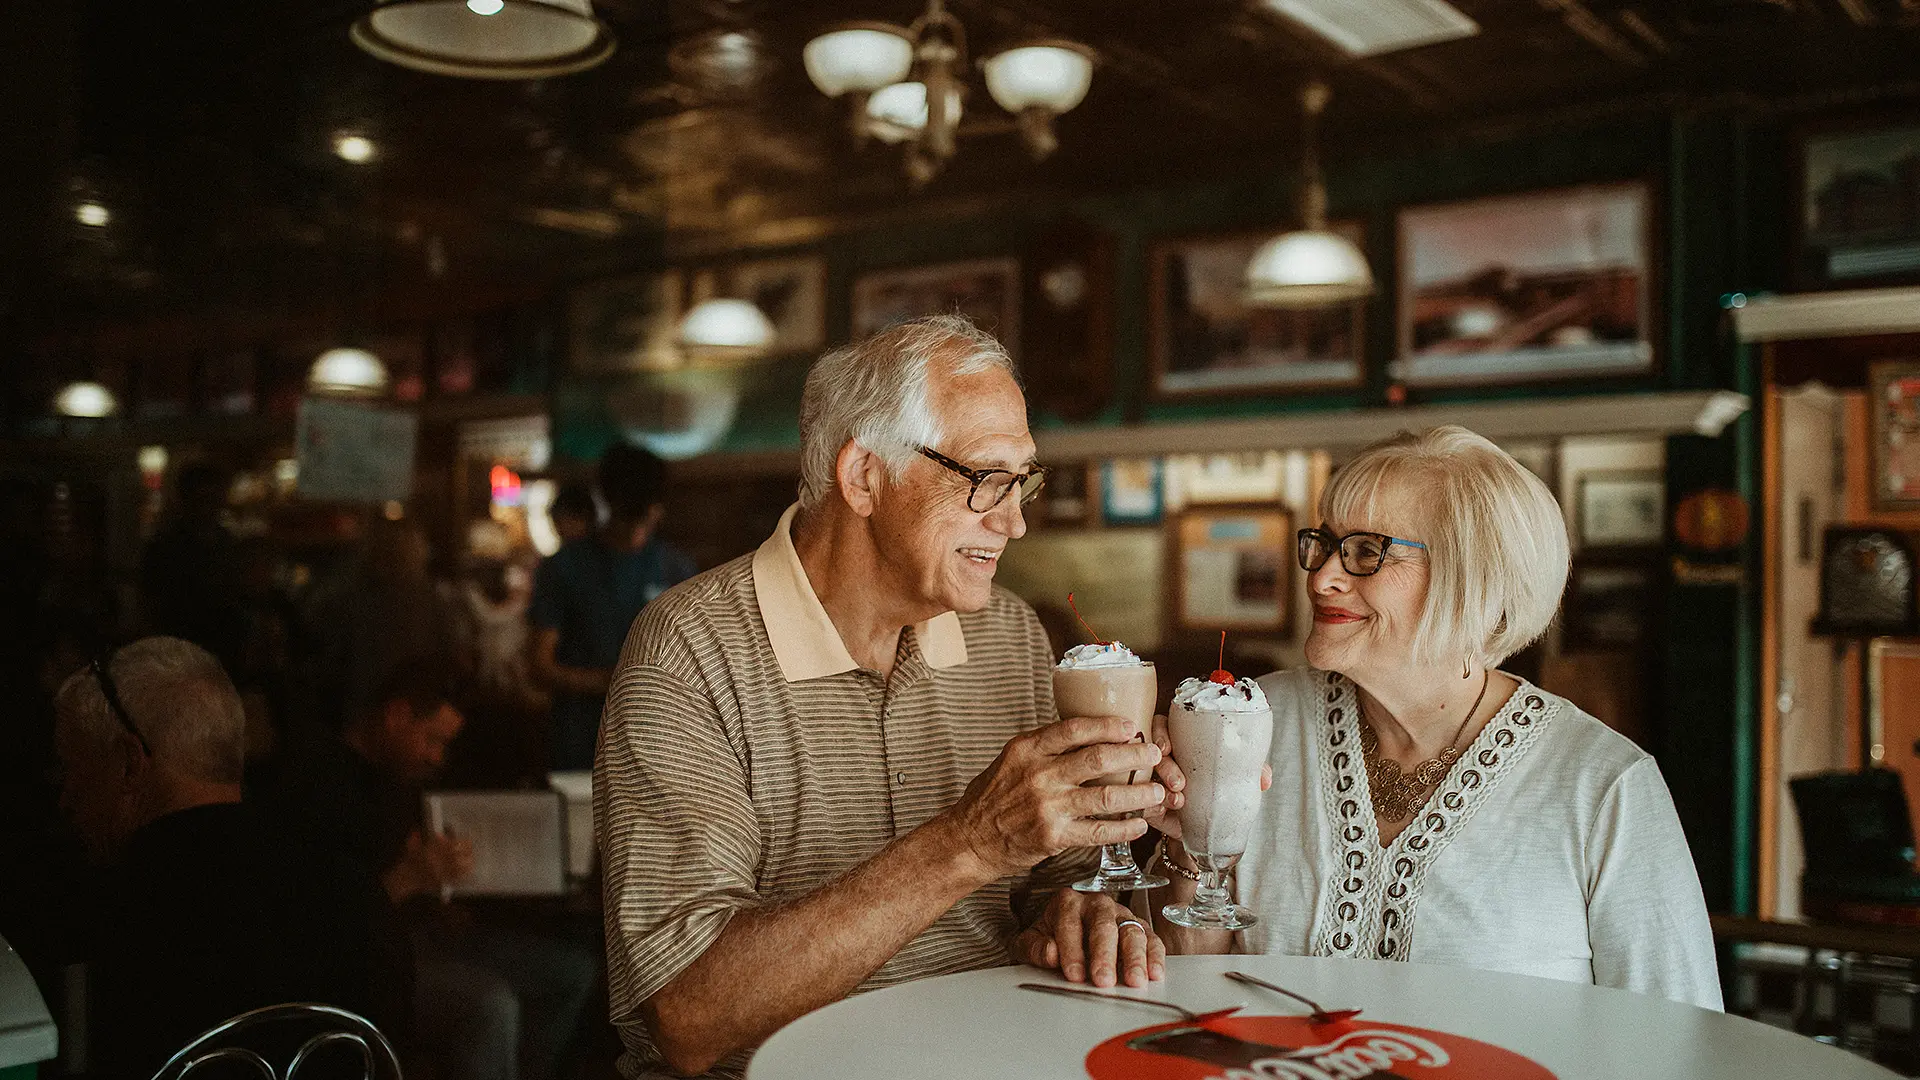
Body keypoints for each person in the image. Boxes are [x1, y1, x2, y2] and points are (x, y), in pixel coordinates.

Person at [597, 315, 1169, 1080]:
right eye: (984, 479)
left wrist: (1079, 914)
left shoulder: (1009, 636)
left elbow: (1053, 883)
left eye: (1024, 479)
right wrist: (967, 845)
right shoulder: (689, 651)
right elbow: (689, 1016)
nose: (1016, 520)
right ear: (864, 476)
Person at [1146, 426, 1721, 1010]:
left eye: (1367, 552)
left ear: (1473, 579)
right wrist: (1191, 853)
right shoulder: (1249, 722)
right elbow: (1189, 995)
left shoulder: (1603, 786)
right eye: (1324, 543)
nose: (1321, 578)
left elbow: (1679, 1040)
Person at [52, 637, 393, 1079]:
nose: (64, 797)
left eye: (72, 766)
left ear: (128, 763)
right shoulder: (352, 886)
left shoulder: (109, 904)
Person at [257, 661, 597, 1080]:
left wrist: (441, 898)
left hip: (422, 936)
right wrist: (411, 877)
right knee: (490, 1005)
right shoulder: (320, 783)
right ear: (397, 715)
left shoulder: (397, 780)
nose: (437, 756)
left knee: (570, 973)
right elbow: (322, 919)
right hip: (359, 960)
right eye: (432, 739)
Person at [530, 443, 696, 770]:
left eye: (645, 512)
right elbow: (539, 665)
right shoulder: (564, 567)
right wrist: (609, 683)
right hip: (581, 744)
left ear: (658, 508)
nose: (636, 526)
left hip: (660, 743)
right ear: (609, 502)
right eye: (628, 513)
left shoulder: (676, 569)